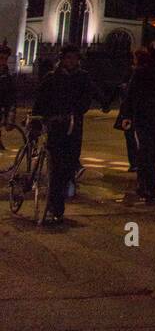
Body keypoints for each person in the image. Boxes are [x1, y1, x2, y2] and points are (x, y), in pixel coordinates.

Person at [31, 45, 92, 224]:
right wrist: (40, 119)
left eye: (74, 58)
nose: (71, 62)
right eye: (68, 58)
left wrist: (76, 111)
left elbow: (86, 99)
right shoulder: (52, 78)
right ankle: (56, 206)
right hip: (56, 126)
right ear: (62, 59)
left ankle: (58, 199)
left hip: (73, 126)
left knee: (69, 164)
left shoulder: (83, 78)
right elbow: (41, 101)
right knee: (57, 167)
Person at [120, 43, 155, 203]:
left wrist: (127, 115)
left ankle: (144, 185)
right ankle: (150, 187)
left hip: (144, 118)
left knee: (145, 151)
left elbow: (131, 95)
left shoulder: (141, 72)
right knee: (153, 152)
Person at [115, 49, 148, 170]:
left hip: (134, 111)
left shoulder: (137, 73)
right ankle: (136, 162)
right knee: (134, 137)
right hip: (136, 111)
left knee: (133, 137)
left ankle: (136, 162)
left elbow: (128, 92)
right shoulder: (135, 72)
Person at [0, 42, 16, 151]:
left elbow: (10, 99)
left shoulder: (7, 77)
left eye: (5, 59)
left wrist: (9, 117)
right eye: (1, 58)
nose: (3, 62)